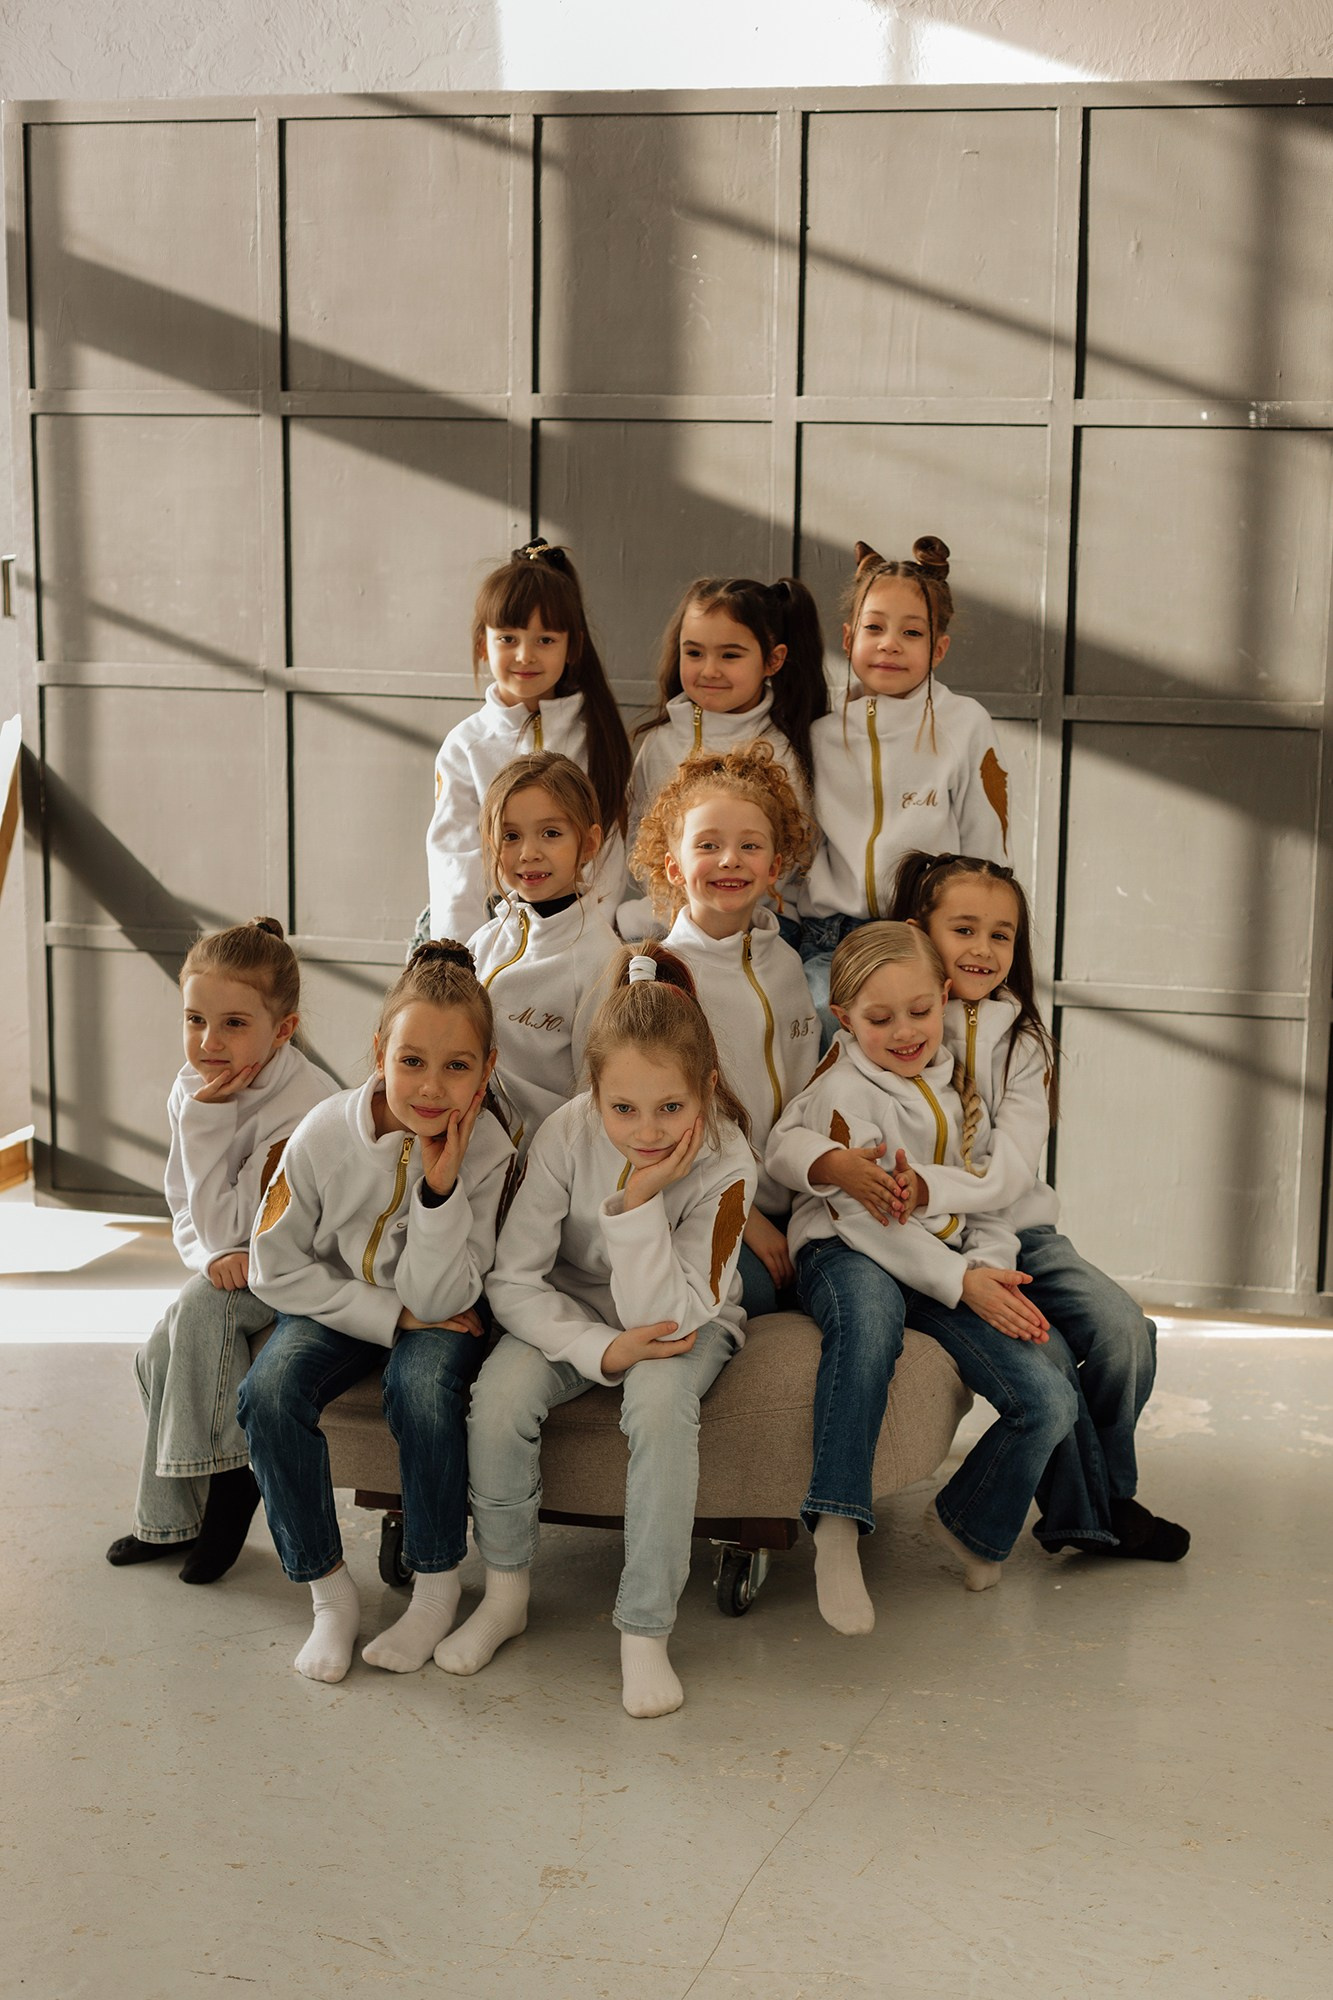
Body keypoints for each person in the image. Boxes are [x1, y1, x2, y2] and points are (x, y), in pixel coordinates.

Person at [439, 944, 757, 1718]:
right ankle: (505, 1594)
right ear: (594, 1092)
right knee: (499, 1398)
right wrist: (597, 1349)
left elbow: (672, 1312)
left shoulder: (729, 1160)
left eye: (671, 1108)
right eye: (623, 1109)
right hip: (573, 1309)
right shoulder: (564, 1133)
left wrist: (641, 1201)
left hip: (689, 1315)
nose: (646, 1132)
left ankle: (645, 1629)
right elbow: (513, 1280)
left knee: (658, 1406)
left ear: (705, 1087)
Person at [766, 921, 1078, 1635]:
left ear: (944, 996)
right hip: (847, 1250)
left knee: (1048, 1397)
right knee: (869, 1323)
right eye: (879, 1019)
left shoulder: (958, 1085)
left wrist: (986, 1271)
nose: (904, 1032)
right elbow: (860, 1215)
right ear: (844, 1019)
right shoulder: (844, 1090)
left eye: (919, 1010)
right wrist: (959, 1281)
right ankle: (837, 1523)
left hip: (943, 1265)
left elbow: (987, 1200)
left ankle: (970, 1522)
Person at [888, 849, 1189, 1561]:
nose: (983, 949)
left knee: (1125, 1333)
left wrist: (934, 1185)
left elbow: (1011, 1173)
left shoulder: (1022, 1038)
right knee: (1045, 1351)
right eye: (963, 929)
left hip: (1023, 1231)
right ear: (919, 931)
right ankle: (1099, 1518)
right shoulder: (890, 1024)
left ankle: (1105, 1499)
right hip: (936, 1242)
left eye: (1001, 935)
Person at [239, 943, 517, 1684]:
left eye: (457, 1067)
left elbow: (443, 1299)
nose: (430, 1087)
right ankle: (330, 1595)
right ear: (379, 1053)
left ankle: (435, 1589)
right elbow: (273, 1266)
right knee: (269, 1391)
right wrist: (389, 1316)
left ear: (487, 1069)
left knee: (422, 1389)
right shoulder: (325, 1132)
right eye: (411, 1061)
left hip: (442, 1309)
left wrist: (439, 1190)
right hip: (336, 1304)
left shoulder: (489, 1149)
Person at [106, 918, 338, 1583]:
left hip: (299, 1259)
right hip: (234, 1257)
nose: (209, 1042)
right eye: (195, 1020)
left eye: (234, 1024)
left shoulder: (306, 1105)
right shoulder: (194, 1085)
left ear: (283, 1029)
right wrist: (208, 1257)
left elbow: (254, 1225)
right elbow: (187, 1205)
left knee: (200, 1312)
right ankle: (169, 1522)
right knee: (157, 1352)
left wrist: (207, 1126)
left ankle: (233, 1483)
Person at [632, 741, 818, 1314]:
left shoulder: (788, 965)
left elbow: (809, 1088)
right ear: (674, 866)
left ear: (775, 867)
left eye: (750, 846)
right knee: (757, 1295)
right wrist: (749, 1217)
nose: (730, 860)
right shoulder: (665, 978)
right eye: (708, 845)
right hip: (712, 1199)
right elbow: (666, 1125)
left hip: (800, 1193)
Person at [800, 536, 1009, 1040]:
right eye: (874, 628)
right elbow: (801, 840)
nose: (889, 643)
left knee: (915, 1050)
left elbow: (986, 844)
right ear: (848, 639)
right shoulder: (820, 729)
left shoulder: (963, 723)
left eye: (911, 632)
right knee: (822, 1037)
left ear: (938, 649)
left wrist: (975, 934)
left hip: (923, 935)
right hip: (831, 938)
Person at [426, 537, 631, 942]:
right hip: (492, 938)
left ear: (573, 647)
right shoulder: (465, 745)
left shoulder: (597, 736)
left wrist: (588, 938)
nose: (525, 655)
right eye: (508, 638)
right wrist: (459, 956)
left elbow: (608, 853)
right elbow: (456, 862)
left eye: (545, 640)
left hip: (582, 936)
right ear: (482, 645)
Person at [619, 573, 828, 940]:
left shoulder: (783, 750)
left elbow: (795, 856)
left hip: (757, 925)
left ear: (773, 660)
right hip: (665, 924)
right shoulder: (660, 742)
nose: (709, 670)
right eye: (694, 653)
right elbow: (637, 838)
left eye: (730, 655)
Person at [467, 752, 620, 1155]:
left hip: (540, 1166)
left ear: (588, 843)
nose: (528, 852)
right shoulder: (485, 941)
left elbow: (594, 1098)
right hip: (467, 1152)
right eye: (510, 836)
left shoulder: (601, 961)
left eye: (550, 833)